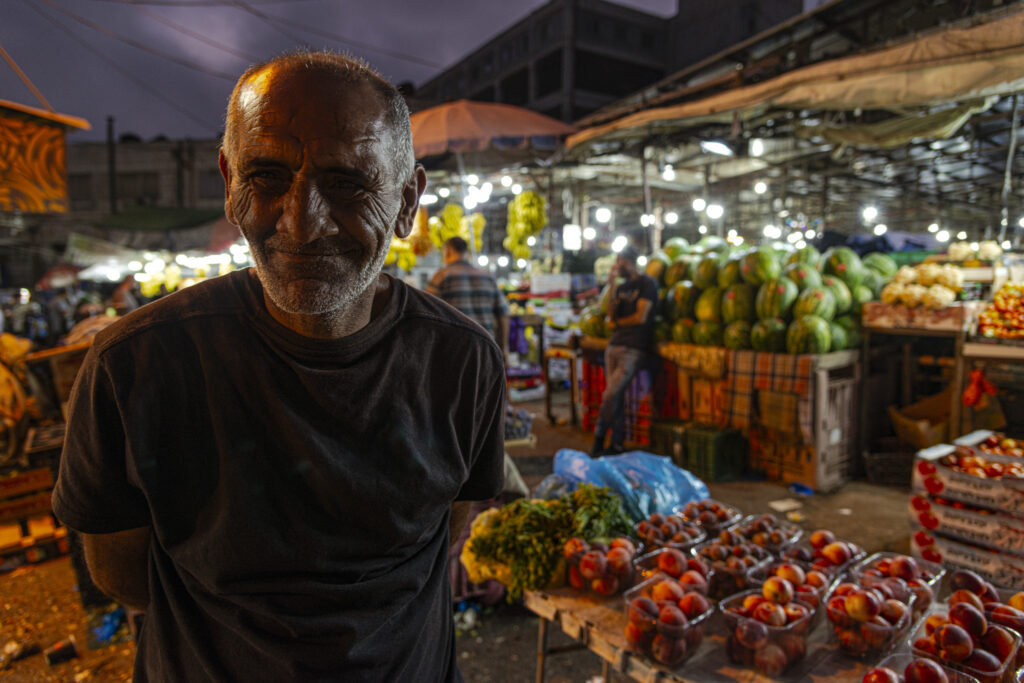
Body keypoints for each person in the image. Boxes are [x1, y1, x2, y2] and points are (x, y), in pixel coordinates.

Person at [53, 51, 506, 683]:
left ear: (407, 203)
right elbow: (121, 575)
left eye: (346, 182)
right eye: (266, 176)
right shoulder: (134, 366)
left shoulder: (462, 362)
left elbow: (450, 525)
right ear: (229, 182)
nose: (301, 222)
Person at [591, 246, 657, 456]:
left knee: (611, 394)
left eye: (621, 262)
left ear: (631, 262)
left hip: (633, 348)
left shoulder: (647, 284)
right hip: (614, 346)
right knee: (615, 396)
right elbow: (610, 315)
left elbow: (641, 317)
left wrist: (618, 323)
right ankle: (617, 444)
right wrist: (611, 284)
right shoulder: (620, 288)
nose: (618, 266)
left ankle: (599, 438)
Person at [426, 236, 509, 359]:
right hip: (486, 348)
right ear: (466, 253)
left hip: (455, 350)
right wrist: (502, 349)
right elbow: (503, 315)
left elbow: (427, 315)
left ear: (448, 251)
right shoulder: (487, 277)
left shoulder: (441, 276)